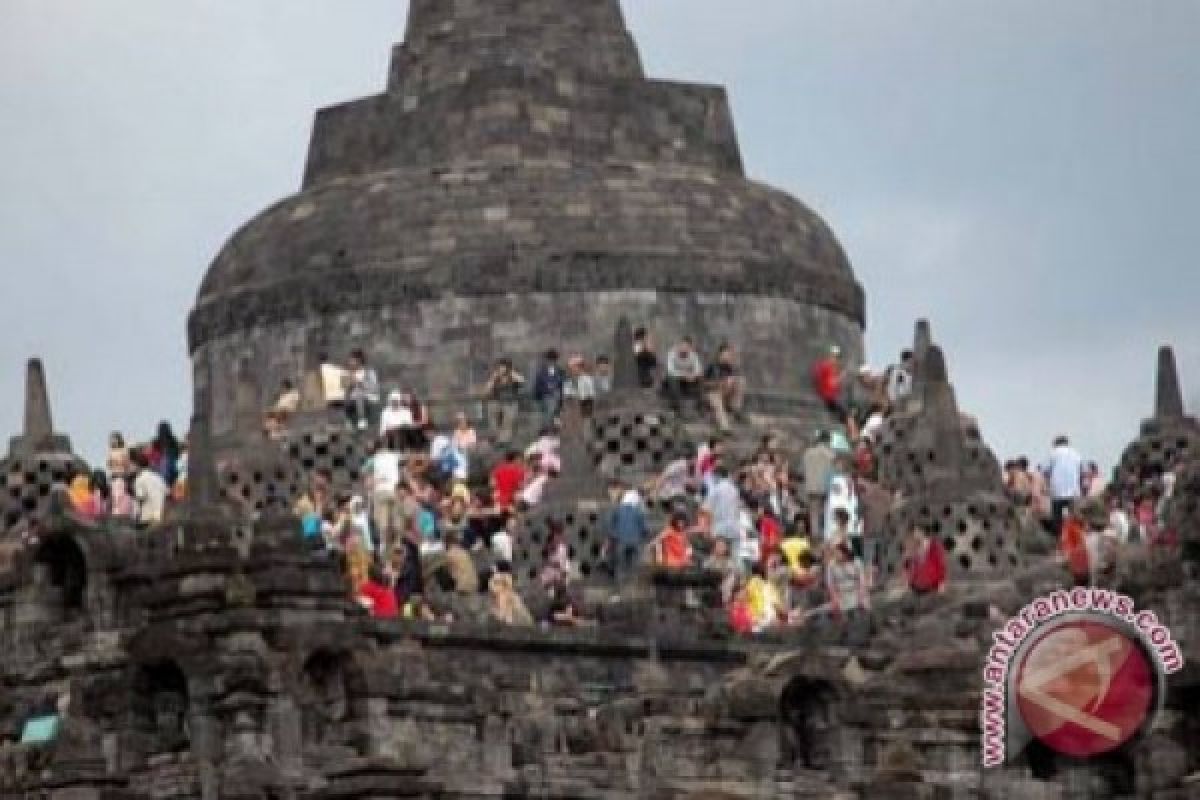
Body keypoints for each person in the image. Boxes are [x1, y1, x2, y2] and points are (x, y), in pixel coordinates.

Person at [605, 482, 648, 583]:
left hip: (620, 541)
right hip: (634, 541)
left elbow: (610, 525)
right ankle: (631, 581)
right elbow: (644, 528)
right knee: (632, 562)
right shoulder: (637, 511)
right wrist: (642, 536)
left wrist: (613, 536)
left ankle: (619, 584)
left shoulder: (618, 510)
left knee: (619, 564)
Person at [1042, 435, 1084, 532]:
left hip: (1057, 491)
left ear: (1056, 444)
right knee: (1074, 519)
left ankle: (1059, 538)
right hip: (1074, 492)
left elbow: (1045, 470)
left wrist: (1046, 485)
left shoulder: (1053, 453)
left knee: (1057, 519)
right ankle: (1074, 539)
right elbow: (1082, 472)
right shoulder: (1076, 454)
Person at [704, 343, 747, 432]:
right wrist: (718, 383)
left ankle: (735, 408)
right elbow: (704, 383)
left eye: (730, 354)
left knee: (741, 381)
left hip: (725, 393)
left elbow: (734, 380)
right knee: (717, 402)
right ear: (720, 354)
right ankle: (725, 427)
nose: (728, 356)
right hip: (712, 394)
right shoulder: (712, 366)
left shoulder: (729, 367)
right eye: (727, 354)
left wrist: (730, 381)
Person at [802, 431, 835, 543]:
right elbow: (833, 471)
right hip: (825, 486)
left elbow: (803, 470)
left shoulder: (808, 453)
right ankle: (825, 534)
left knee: (814, 512)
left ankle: (814, 535)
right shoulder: (830, 454)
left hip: (811, 486)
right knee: (825, 511)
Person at [825, 542, 870, 622]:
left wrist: (861, 594)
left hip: (856, 590)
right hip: (841, 593)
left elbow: (862, 580)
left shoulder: (856, 562)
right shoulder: (831, 565)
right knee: (837, 610)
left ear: (844, 553)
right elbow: (830, 584)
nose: (836, 555)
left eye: (838, 553)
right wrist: (834, 597)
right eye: (834, 553)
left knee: (864, 606)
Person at [484, 359, 525, 446]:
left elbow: (522, 380)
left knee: (508, 420)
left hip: (510, 401)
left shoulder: (512, 375)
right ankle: (494, 435)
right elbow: (487, 388)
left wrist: (512, 374)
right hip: (497, 400)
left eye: (503, 367)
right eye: (500, 367)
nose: (501, 369)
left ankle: (504, 440)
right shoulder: (495, 377)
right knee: (492, 411)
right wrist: (493, 378)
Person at [342, 349, 381, 431]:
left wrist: (360, 383)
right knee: (346, 396)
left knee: (358, 393)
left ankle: (362, 419)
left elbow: (374, 388)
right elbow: (343, 388)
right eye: (349, 360)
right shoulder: (347, 373)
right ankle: (348, 420)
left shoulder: (369, 372)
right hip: (352, 399)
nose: (350, 362)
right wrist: (350, 385)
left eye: (352, 360)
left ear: (359, 360)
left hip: (368, 397)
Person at [704, 466, 742, 547]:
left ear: (717, 475)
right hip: (734, 527)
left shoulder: (715, 489)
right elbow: (738, 509)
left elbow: (706, 510)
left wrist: (707, 528)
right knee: (735, 557)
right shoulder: (734, 489)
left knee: (720, 556)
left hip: (720, 528)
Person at [664, 338, 704, 415]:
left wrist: (693, 375)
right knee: (671, 378)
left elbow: (698, 369)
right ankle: (676, 406)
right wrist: (684, 375)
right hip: (675, 378)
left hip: (688, 379)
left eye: (687, 347)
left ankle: (700, 404)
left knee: (700, 378)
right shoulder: (672, 354)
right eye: (682, 346)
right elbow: (670, 370)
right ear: (679, 346)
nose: (684, 349)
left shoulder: (693, 355)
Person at [905, 527, 947, 595]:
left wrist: (941, 583)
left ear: (922, 533)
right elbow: (908, 566)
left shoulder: (934, 546)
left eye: (916, 532)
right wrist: (908, 581)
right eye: (913, 534)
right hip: (916, 586)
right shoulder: (913, 547)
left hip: (932, 586)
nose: (914, 535)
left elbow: (941, 565)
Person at [131, 451, 168, 527]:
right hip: (162, 518)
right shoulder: (157, 476)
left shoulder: (139, 480)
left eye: (130, 464)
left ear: (136, 465)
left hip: (148, 520)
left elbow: (139, 501)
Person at [811, 345, 846, 422]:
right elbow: (831, 384)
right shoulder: (826, 367)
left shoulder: (830, 368)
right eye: (835, 357)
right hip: (828, 399)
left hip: (828, 399)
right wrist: (841, 377)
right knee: (848, 418)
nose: (837, 360)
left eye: (838, 357)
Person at [532, 349, 566, 426]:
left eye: (552, 360)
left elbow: (562, 385)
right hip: (544, 397)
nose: (550, 362)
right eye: (549, 359)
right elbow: (537, 385)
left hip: (554, 397)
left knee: (551, 416)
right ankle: (547, 431)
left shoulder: (560, 371)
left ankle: (550, 430)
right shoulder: (541, 371)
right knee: (546, 417)